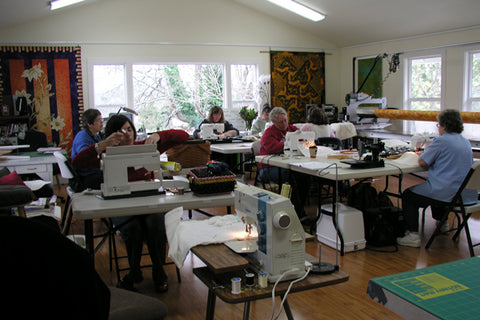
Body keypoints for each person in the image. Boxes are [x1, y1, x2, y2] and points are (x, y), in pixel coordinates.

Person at [72, 114, 189, 292]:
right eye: (121, 131)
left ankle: (159, 271)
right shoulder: (106, 153)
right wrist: (102, 145)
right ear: (111, 135)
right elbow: (77, 162)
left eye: (129, 129)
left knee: (155, 223)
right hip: (120, 203)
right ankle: (134, 272)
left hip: (148, 200)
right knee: (132, 227)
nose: (127, 134)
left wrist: (159, 135)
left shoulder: (145, 146)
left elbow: (183, 136)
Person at [397, 109, 475, 248]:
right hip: (465, 194)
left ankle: (413, 235)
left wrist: (422, 153)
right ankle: (443, 223)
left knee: (409, 195)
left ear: (444, 125)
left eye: (438, 125)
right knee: (435, 186)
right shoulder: (465, 142)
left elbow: (422, 162)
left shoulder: (441, 141)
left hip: (448, 193)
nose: (438, 128)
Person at [258, 107, 310, 219]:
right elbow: (274, 148)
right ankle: (297, 212)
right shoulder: (268, 134)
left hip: (288, 166)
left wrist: (296, 143)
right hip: (269, 168)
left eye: (285, 120)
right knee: (289, 177)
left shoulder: (292, 129)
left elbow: (305, 141)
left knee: (305, 176)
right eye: (280, 122)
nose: (284, 123)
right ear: (273, 122)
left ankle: (298, 209)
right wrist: (292, 144)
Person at [70, 108, 104, 191]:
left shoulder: (96, 135)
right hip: (85, 177)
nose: (102, 122)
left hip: (92, 173)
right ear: (89, 124)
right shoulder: (82, 138)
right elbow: (85, 157)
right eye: (98, 120)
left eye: (101, 119)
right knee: (114, 178)